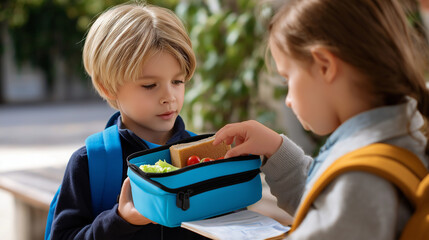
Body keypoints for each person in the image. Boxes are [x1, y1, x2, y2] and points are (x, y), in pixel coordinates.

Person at [214, 0, 429, 239]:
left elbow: (343, 201)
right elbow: (325, 205)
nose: (288, 100)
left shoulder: (360, 184)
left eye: (288, 79)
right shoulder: (401, 135)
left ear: (325, 66)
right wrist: (277, 150)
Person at [50, 2, 208, 239]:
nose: (169, 97)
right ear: (108, 88)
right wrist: (120, 220)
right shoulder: (90, 163)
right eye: (149, 85)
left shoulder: (200, 156)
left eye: (178, 81)